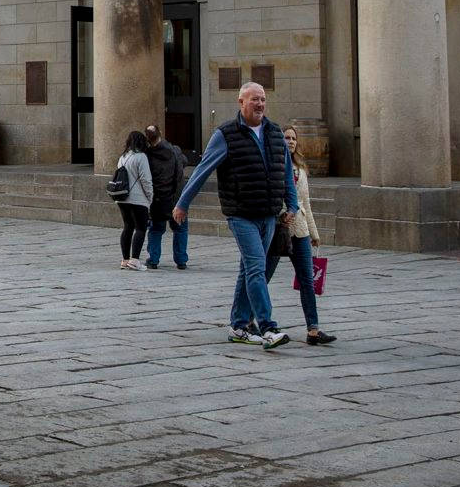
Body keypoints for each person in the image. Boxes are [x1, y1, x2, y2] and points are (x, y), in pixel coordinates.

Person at [172, 82, 298, 350]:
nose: (260, 104)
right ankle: (268, 327)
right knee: (256, 267)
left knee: (249, 270)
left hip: (269, 214)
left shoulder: (275, 133)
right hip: (241, 214)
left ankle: (239, 326)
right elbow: (203, 170)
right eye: (254, 99)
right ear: (241, 102)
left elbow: (286, 173)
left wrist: (293, 205)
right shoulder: (226, 134)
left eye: (263, 99)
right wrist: (183, 203)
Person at [263, 127, 336, 345]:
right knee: (263, 276)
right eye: (286, 138)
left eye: (294, 138)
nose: (291, 141)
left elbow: (307, 203)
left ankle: (313, 329)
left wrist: (314, 233)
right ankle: (247, 320)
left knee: (307, 279)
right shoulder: (273, 165)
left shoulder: (301, 169)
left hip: (300, 230)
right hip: (279, 229)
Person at [144, 124, 189, 270]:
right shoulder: (174, 150)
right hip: (176, 198)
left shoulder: (147, 155)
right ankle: (181, 260)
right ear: (160, 133)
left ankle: (153, 259)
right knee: (180, 229)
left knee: (156, 229)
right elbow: (185, 161)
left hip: (158, 200)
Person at [114, 130, 153, 270]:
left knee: (127, 227)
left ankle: (125, 259)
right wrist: (150, 197)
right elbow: (146, 179)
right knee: (141, 228)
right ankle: (135, 259)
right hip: (138, 199)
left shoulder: (122, 157)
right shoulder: (141, 157)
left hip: (122, 198)